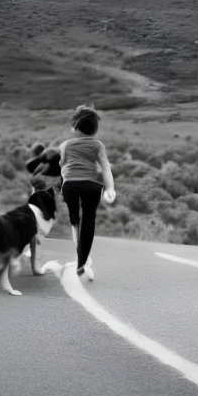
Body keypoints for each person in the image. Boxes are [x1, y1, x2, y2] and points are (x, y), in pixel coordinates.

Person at [59, 104, 115, 281]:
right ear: (94, 129)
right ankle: (81, 263)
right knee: (89, 220)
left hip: (70, 186)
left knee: (75, 220)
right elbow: (106, 168)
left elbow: (61, 166)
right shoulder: (98, 145)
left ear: (76, 127)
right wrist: (110, 188)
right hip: (91, 186)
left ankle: (78, 250)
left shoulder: (66, 145)